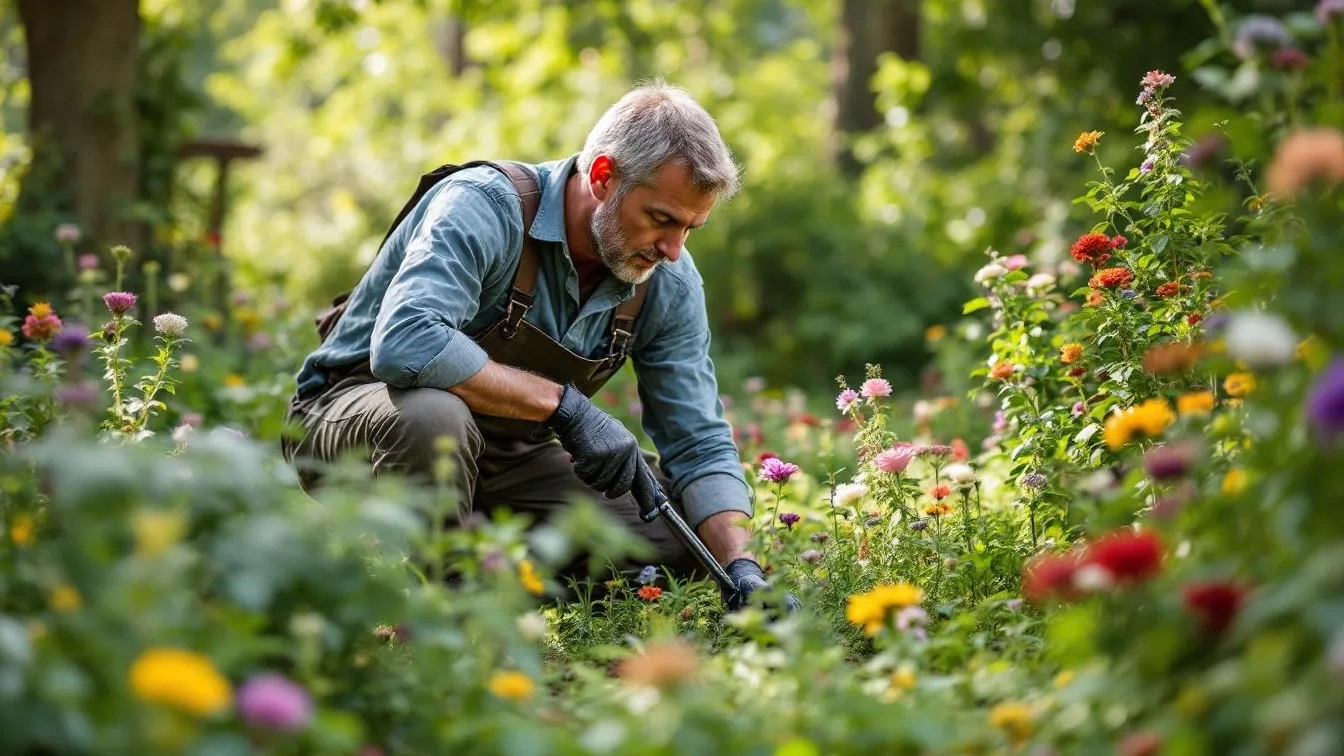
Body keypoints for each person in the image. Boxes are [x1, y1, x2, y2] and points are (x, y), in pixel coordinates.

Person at [283, 81, 777, 610]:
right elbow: (406, 341)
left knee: (678, 542)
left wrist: (739, 565)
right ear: (605, 176)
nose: (673, 250)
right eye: (661, 219)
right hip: (358, 424)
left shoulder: (669, 282)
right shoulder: (485, 206)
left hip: (508, 455)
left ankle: (497, 583)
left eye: (691, 228)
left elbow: (697, 439)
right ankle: (432, 610)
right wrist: (566, 409)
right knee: (433, 418)